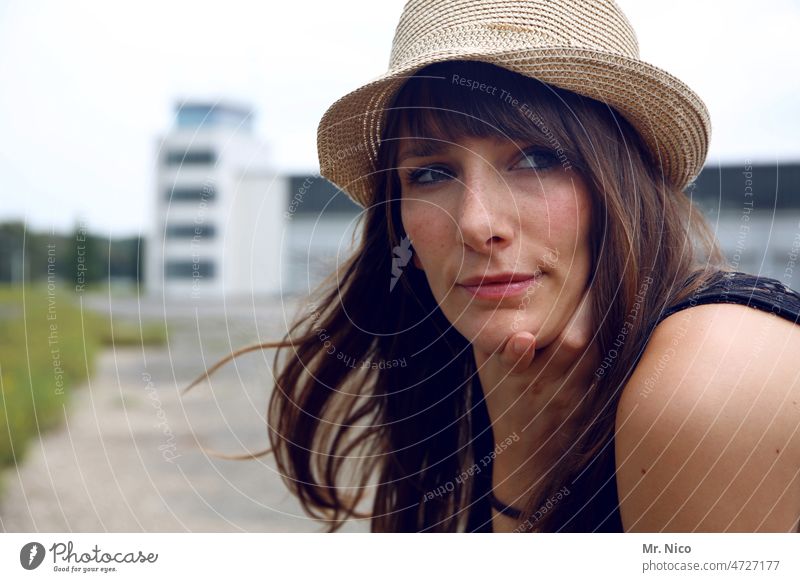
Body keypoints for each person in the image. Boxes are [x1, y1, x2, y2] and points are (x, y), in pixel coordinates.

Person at [188, 0, 800, 532]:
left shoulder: (709, 383)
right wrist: (527, 455)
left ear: (621, 181)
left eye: (535, 159)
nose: (478, 224)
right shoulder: (503, 381)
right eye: (432, 173)